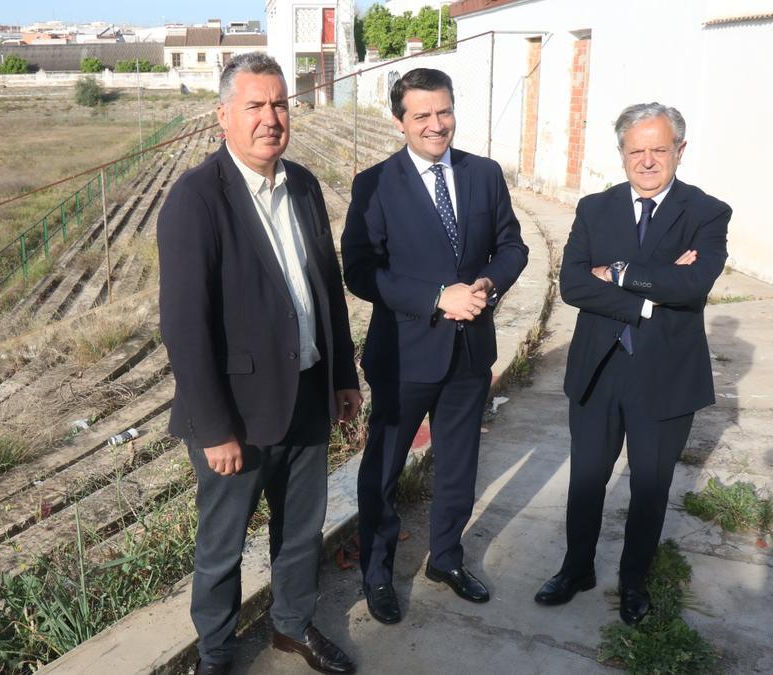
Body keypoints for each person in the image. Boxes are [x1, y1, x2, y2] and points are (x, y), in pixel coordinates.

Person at [157, 52, 361, 675]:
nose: (270, 118)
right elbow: (185, 328)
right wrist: (214, 427)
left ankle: (291, 627)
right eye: (255, 105)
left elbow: (327, 286)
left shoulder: (300, 185)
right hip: (236, 417)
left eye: (279, 104)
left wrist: (343, 377)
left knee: (301, 531)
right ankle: (216, 655)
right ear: (224, 116)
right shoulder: (196, 200)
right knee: (222, 546)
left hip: (305, 393)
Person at [342, 68, 529, 625]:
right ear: (400, 120)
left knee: (458, 465)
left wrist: (487, 285)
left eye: (443, 112)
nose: (436, 124)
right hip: (404, 356)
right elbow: (360, 271)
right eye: (421, 115)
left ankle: (445, 558)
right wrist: (435, 297)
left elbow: (512, 246)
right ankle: (377, 572)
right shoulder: (374, 184)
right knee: (383, 469)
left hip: (470, 352)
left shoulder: (484, 174)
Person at [535, 102, 732, 625]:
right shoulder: (594, 209)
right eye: (636, 150)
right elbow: (573, 284)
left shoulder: (707, 212)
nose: (647, 161)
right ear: (621, 154)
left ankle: (633, 580)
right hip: (599, 369)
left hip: (665, 376)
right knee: (586, 479)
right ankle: (577, 568)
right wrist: (649, 295)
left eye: (659, 150)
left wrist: (618, 271)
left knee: (650, 485)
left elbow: (693, 286)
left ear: (680, 151)